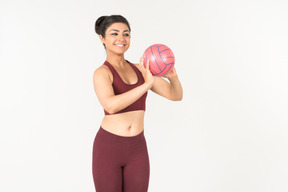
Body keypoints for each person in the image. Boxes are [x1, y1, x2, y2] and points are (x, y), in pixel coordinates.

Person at [92, 15, 183, 192]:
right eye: (114, 33)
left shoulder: (142, 70)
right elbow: (111, 106)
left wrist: (174, 78)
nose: (121, 38)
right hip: (108, 148)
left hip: (137, 149)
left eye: (126, 34)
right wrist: (146, 85)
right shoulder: (101, 73)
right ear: (102, 38)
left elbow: (175, 95)